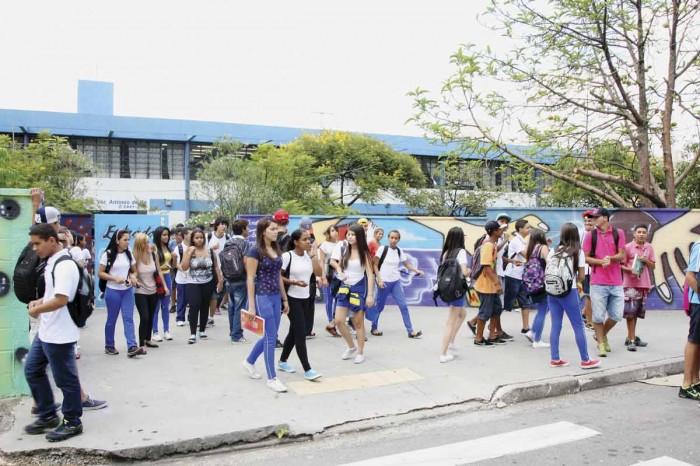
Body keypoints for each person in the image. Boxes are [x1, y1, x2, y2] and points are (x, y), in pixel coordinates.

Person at [23, 223, 84, 442]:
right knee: (32, 370)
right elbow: (53, 294)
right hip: (47, 330)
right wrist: (40, 301)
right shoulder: (52, 262)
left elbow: (61, 299)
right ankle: (48, 413)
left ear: (51, 240)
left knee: (65, 379)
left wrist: (37, 310)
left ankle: (72, 421)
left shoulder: (64, 265)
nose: (34, 248)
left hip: (60, 332)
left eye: (37, 243)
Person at [242, 217, 290, 393]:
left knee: (271, 335)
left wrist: (285, 299)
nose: (276, 231)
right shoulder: (255, 251)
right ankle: (272, 378)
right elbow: (250, 278)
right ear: (263, 231)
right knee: (271, 337)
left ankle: (249, 361)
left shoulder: (276, 248)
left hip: (276, 296)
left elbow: (278, 276)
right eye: (272, 229)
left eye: (276, 228)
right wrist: (252, 305)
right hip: (262, 297)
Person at [546, 223, 601, 369]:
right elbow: (582, 276)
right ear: (576, 235)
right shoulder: (578, 252)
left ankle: (555, 358)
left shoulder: (553, 251)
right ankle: (585, 360)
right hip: (569, 292)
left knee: (556, 325)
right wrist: (570, 281)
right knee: (578, 326)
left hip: (552, 291)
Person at [278, 229, 323, 380]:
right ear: (296, 242)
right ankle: (307, 369)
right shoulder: (287, 256)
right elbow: (278, 277)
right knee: (301, 333)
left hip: (306, 298)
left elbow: (318, 273)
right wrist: (293, 282)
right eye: (304, 239)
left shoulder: (308, 256)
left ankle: (282, 361)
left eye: (309, 239)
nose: (308, 242)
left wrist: (313, 255)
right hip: (291, 297)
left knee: (294, 331)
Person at [582, 208, 626, 358]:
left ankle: (601, 334)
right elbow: (586, 258)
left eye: (596, 217)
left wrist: (611, 259)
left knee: (617, 315)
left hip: (616, 281)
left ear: (605, 218)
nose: (593, 219)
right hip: (597, 282)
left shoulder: (618, 233)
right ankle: (601, 343)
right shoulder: (590, 235)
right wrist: (600, 262)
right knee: (598, 316)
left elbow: (622, 255)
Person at [330, 223, 375, 364]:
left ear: (359, 236)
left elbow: (370, 275)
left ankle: (360, 352)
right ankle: (351, 347)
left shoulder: (364, 254)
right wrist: (339, 271)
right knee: (338, 321)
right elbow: (339, 266)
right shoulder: (345, 251)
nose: (349, 237)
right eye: (348, 234)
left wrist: (369, 295)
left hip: (359, 289)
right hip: (344, 288)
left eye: (353, 234)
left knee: (358, 322)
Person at [370, 230, 424, 338]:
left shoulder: (399, 251)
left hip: (395, 282)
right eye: (392, 238)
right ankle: (374, 327)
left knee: (403, 306)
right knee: (379, 307)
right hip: (384, 282)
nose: (394, 240)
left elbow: (407, 264)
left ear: (398, 239)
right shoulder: (382, 249)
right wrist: (379, 279)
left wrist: (416, 271)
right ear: (388, 238)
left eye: (396, 238)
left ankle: (410, 331)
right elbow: (374, 265)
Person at [98, 229, 143, 357]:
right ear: (117, 240)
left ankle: (132, 346)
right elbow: (100, 273)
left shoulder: (129, 254)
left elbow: (134, 271)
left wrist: (133, 277)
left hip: (127, 291)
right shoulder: (108, 254)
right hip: (112, 291)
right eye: (125, 239)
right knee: (112, 319)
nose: (127, 242)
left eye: (129, 239)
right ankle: (109, 345)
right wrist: (114, 278)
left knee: (128, 318)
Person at [180, 228, 224, 344]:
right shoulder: (189, 250)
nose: (199, 240)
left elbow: (215, 266)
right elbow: (184, 267)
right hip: (193, 282)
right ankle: (193, 333)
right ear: (193, 239)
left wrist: (220, 280)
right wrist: (189, 253)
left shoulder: (209, 250)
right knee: (195, 305)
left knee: (205, 305)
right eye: (196, 238)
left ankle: (202, 330)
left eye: (201, 238)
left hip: (208, 281)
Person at [132, 233, 169, 353]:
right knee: (145, 317)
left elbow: (158, 270)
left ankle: (148, 338)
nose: (148, 244)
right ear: (139, 243)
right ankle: (141, 342)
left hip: (154, 290)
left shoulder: (153, 254)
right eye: (146, 242)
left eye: (148, 241)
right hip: (140, 291)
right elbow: (133, 272)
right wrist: (134, 278)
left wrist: (164, 286)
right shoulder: (135, 256)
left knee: (152, 315)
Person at [621, 224, 655, 351]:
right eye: (639, 232)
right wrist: (630, 270)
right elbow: (621, 265)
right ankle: (631, 340)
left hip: (644, 284)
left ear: (647, 234)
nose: (641, 234)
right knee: (630, 314)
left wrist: (646, 260)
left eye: (644, 232)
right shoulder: (628, 247)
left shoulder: (649, 247)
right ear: (634, 234)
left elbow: (653, 266)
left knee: (636, 314)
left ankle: (631, 336)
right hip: (630, 285)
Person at [473, 221, 506, 347]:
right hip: (486, 285)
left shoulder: (493, 245)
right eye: (499, 229)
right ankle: (479, 338)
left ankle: (492, 336)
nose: (501, 231)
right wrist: (497, 283)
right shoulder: (487, 246)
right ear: (494, 232)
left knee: (497, 309)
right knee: (484, 312)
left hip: (491, 284)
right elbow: (486, 267)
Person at [503, 218, 533, 335]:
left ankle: (526, 327)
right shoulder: (516, 241)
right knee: (506, 303)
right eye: (528, 228)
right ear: (520, 229)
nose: (529, 230)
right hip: (513, 276)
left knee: (525, 302)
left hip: (521, 276)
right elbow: (526, 255)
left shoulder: (522, 241)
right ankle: (488, 324)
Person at [524, 228, 551, 348]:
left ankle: (532, 331)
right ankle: (537, 340)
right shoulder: (543, 248)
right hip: (543, 283)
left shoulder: (530, 249)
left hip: (534, 284)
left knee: (543, 308)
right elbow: (549, 262)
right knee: (543, 310)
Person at [680, 238, 700, 400]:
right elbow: (690, 276)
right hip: (698, 303)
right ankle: (686, 385)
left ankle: (695, 380)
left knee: (698, 342)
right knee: (693, 340)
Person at [226, 219, 250, 344]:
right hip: (240, 278)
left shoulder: (228, 241)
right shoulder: (244, 243)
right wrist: (250, 275)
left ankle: (232, 331)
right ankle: (236, 335)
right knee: (239, 307)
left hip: (229, 277)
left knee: (231, 306)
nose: (249, 230)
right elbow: (245, 261)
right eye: (248, 227)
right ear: (243, 229)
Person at [152, 226, 173, 342]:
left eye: (167, 235)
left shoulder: (167, 247)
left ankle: (166, 330)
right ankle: (155, 331)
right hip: (156, 278)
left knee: (165, 306)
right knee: (156, 307)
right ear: (158, 235)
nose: (166, 237)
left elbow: (171, 264)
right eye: (164, 235)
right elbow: (152, 267)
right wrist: (162, 267)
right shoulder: (153, 248)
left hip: (168, 276)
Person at [298, 217, 319, 338]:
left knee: (308, 302)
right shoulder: (311, 239)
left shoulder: (310, 238)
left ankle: (306, 330)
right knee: (306, 303)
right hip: (304, 273)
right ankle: (304, 330)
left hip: (307, 273)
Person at [207, 217, 230, 325]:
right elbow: (201, 249)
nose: (224, 226)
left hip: (224, 269)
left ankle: (214, 310)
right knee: (212, 292)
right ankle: (209, 315)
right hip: (210, 268)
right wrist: (211, 248)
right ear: (217, 225)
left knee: (222, 291)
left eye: (226, 224)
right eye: (222, 224)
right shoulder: (209, 236)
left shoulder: (228, 237)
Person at [319, 225, 340, 336]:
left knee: (338, 299)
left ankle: (334, 322)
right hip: (328, 274)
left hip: (339, 276)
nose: (335, 232)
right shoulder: (324, 245)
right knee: (329, 299)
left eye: (336, 230)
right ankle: (330, 321)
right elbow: (321, 262)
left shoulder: (340, 244)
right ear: (328, 232)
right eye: (332, 230)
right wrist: (322, 277)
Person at [173, 227, 191, 327]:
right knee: (182, 299)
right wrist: (184, 271)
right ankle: (180, 317)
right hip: (182, 279)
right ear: (185, 236)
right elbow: (176, 264)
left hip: (193, 279)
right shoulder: (179, 248)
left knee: (192, 299)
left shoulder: (194, 246)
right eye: (190, 234)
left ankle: (191, 317)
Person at [580, 211, 596, 331]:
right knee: (590, 296)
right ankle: (589, 323)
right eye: (586, 221)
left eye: (590, 221)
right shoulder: (582, 234)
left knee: (592, 295)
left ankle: (584, 312)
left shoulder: (597, 234)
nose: (587, 224)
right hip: (586, 269)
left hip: (596, 269)